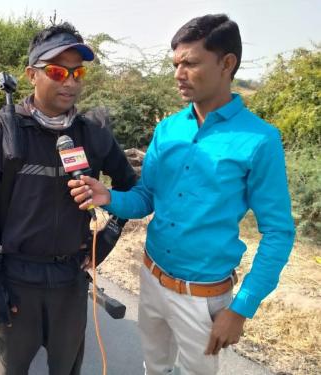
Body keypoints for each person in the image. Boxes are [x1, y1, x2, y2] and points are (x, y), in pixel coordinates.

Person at [68, 14, 295, 375]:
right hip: (151, 277)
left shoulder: (259, 140)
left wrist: (240, 309)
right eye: (176, 64)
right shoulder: (169, 129)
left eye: (190, 63)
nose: (178, 74)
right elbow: (146, 198)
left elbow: (280, 232)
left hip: (203, 297)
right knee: (154, 366)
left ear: (227, 63)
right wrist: (108, 197)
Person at [0, 22, 137, 375]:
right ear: (32, 74)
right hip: (16, 283)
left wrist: (107, 235)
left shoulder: (93, 135)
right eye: (57, 71)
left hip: (69, 283)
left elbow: (130, 189)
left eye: (77, 72)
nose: (70, 81)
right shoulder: (3, 133)